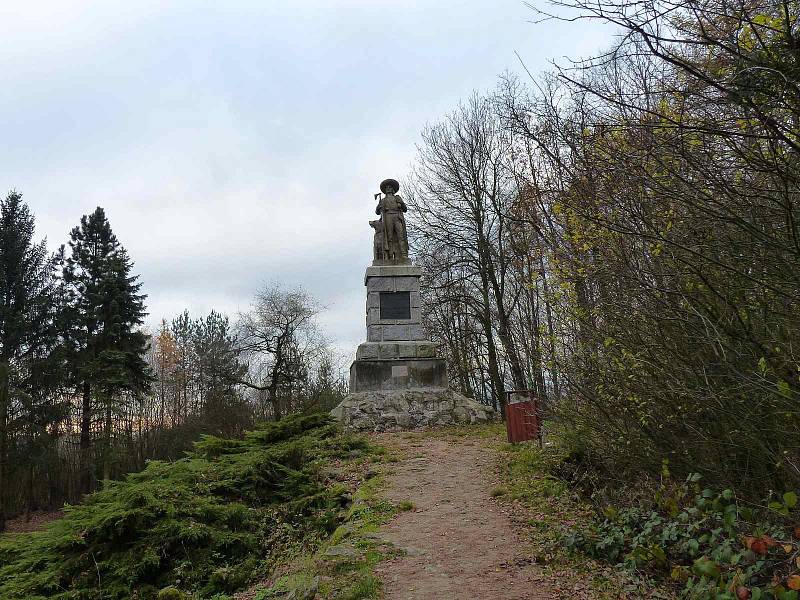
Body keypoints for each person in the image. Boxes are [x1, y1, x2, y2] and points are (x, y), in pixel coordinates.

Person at [375, 178, 408, 260]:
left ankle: (403, 254)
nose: (388, 189)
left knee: (400, 236)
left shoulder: (397, 198)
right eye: (387, 188)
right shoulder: (383, 200)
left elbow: (405, 209)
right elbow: (377, 212)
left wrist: (401, 204)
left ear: (393, 189)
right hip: (388, 217)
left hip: (397, 217)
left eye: (390, 187)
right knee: (389, 237)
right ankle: (389, 255)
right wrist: (379, 207)